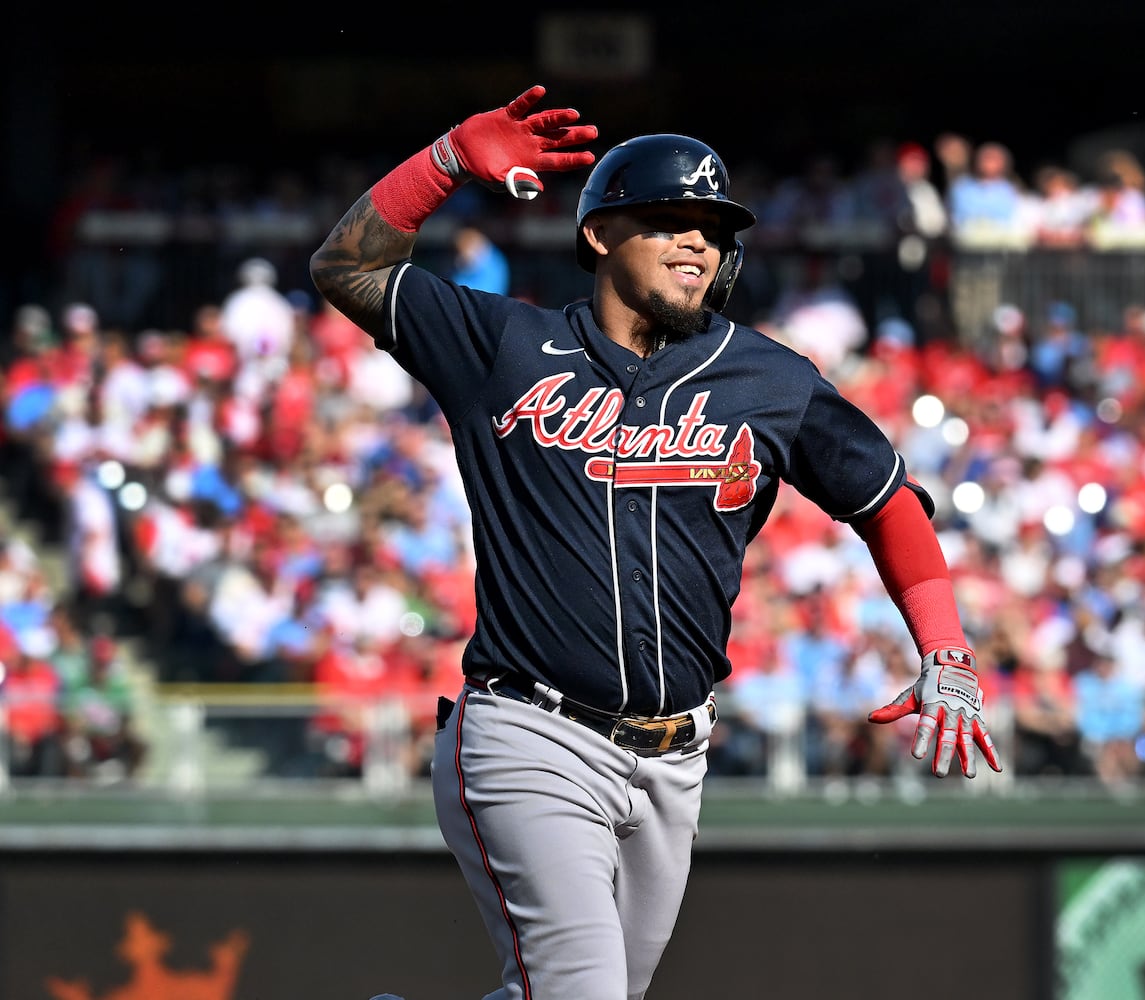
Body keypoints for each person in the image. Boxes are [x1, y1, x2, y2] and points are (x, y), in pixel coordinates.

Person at [310, 84, 1002, 1000]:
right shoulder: (505, 346)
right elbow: (346, 270)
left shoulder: (766, 377)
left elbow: (885, 499)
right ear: (599, 235)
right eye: (669, 220)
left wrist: (944, 647)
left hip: (675, 758)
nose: (696, 243)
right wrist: (440, 164)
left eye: (712, 229)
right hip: (531, 731)